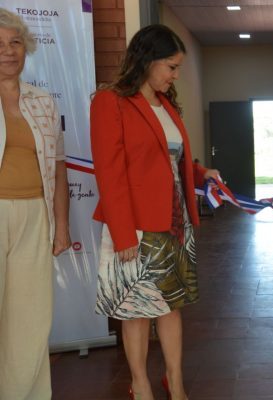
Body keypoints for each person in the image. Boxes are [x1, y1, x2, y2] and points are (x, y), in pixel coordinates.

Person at [90, 24, 198, 400]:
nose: (174, 75)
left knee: (171, 305)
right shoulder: (110, 101)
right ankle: (141, 384)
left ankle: (176, 382)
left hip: (173, 220)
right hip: (133, 225)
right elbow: (110, 171)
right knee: (135, 308)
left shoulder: (167, 103)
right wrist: (122, 234)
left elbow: (168, 159)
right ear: (147, 60)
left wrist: (202, 173)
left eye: (177, 67)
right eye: (170, 66)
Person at [0, 8, 71, 400]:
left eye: (15, 43)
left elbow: (59, 166)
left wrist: (61, 223)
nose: (9, 52)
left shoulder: (43, 101)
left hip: (34, 214)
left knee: (30, 318)